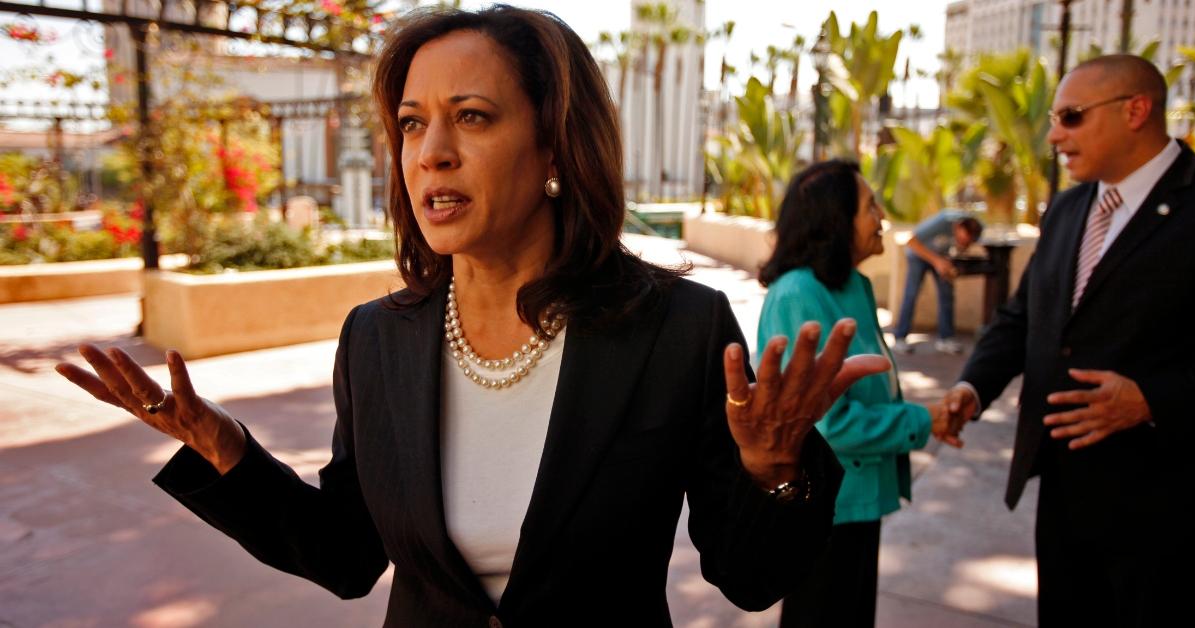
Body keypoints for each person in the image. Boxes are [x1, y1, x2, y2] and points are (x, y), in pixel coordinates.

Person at [54, 7, 892, 626]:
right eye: (413, 123)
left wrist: (773, 468)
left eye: (473, 117)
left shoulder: (678, 329)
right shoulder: (376, 339)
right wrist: (227, 451)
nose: (431, 151)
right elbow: (348, 557)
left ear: (556, 146)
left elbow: (749, 578)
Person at [939, 55, 1195, 626]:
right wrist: (972, 387)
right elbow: (1023, 316)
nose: (1054, 134)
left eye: (1071, 117)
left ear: (1136, 110)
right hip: (1063, 493)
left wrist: (1152, 398)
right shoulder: (1068, 206)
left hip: (1167, 506)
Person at [757, 161, 964, 628]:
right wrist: (923, 420)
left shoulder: (853, 285)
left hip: (858, 498)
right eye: (870, 205)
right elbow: (828, 425)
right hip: (825, 507)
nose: (882, 215)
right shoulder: (797, 295)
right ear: (835, 218)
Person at [891, 209, 983, 355]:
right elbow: (911, 241)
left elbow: (952, 249)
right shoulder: (943, 221)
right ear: (959, 226)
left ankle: (946, 338)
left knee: (947, 294)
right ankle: (900, 338)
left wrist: (949, 264)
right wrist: (937, 261)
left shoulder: (976, 228)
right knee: (911, 294)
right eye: (963, 240)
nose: (963, 244)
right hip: (918, 254)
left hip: (940, 258)